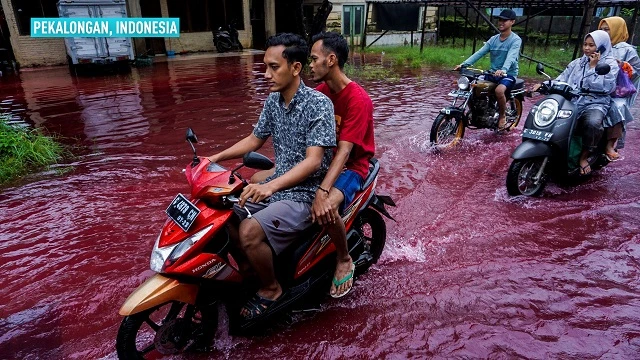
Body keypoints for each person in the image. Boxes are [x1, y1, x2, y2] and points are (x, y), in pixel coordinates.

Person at [207, 33, 336, 319]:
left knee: (249, 231)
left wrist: (270, 185)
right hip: (277, 187)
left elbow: (314, 162)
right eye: (265, 66)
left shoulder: (318, 105)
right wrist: (213, 158)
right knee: (225, 216)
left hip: (306, 193)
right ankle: (252, 270)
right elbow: (254, 140)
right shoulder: (273, 101)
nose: (266, 74)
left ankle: (271, 288)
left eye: (273, 67)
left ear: (296, 67)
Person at [308, 32, 375, 298]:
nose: (310, 65)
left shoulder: (358, 99)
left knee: (326, 208)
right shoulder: (321, 93)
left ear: (331, 60)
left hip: (353, 167)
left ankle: (344, 257)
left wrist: (323, 191)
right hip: (325, 160)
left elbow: (346, 151)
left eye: (314, 59)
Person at [535, 30, 618, 175]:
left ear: (602, 47)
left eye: (591, 45)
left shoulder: (610, 64)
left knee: (592, 123)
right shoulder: (578, 62)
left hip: (595, 103)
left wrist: (594, 67)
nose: (587, 48)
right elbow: (562, 78)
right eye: (585, 44)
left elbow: (607, 88)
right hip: (573, 101)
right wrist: (545, 84)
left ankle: (585, 156)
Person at [454, 9, 522, 130]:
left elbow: (511, 56)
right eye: (500, 20)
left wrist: (504, 69)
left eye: (504, 20)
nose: (501, 22)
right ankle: (478, 113)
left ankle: (502, 116)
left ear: (512, 22)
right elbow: (479, 53)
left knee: (499, 91)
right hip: (492, 73)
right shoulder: (493, 39)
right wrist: (463, 64)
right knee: (473, 86)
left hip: (508, 74)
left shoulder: (515, 40)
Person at [598, 16, 640, 160]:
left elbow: (636, 72)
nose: (604, 33)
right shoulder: (598, 45)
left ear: (617, 30)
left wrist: (623, 65)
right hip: (596, 86)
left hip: (617, 91)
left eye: (607, 29)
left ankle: (610, 144)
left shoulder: (627, 50)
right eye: (601, 29)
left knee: (618, 108)